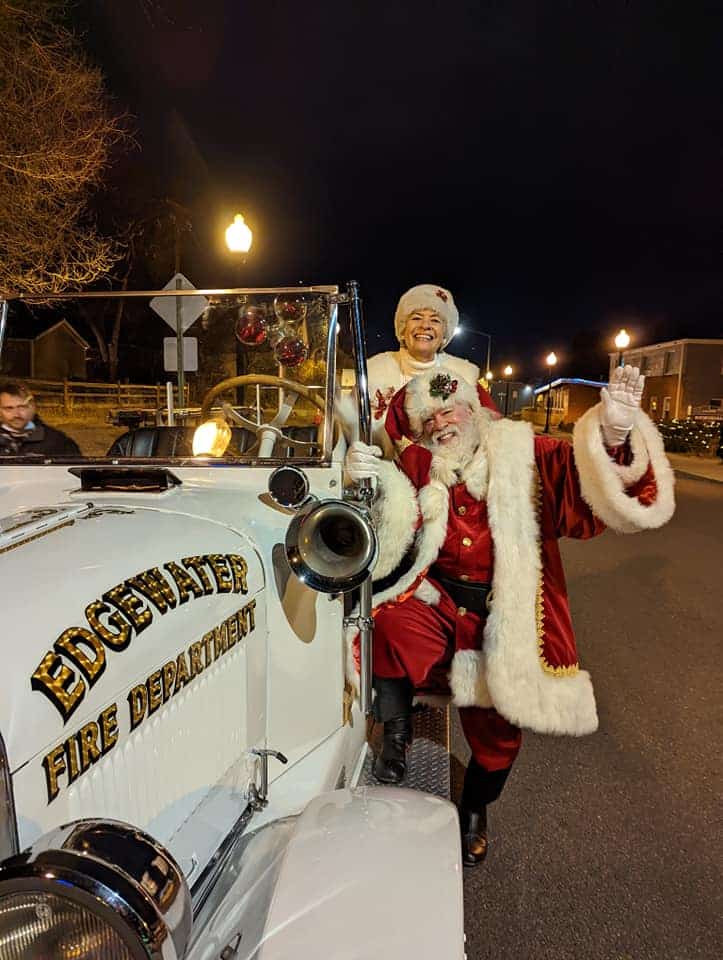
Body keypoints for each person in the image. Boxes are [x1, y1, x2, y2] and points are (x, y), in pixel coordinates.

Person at [345, 364, 674, 866]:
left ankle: (475, 805)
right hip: (435, 603)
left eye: (449, 408)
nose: (440, 422)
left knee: (500, 729)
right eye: (428, 417)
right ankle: (396, 738)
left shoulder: (527, 455)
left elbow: (590, 493)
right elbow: (370, 515)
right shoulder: (418, 465)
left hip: (504, 610)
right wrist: (355, 477)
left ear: (475, 411)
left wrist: (614, 434)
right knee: (388, 624)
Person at [366, 284, 487, 447]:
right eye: (416, 317)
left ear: (445, 334)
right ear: (403, 328)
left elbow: (487, 437)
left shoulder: (464, 377)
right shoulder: (374, 372)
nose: (425, 325)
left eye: (435, 320)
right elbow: (343, 431)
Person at [0, 381, 80, 457]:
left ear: (32, 407)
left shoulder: (58, 442)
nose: (16, 414)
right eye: (9, 408)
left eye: (22, 407)